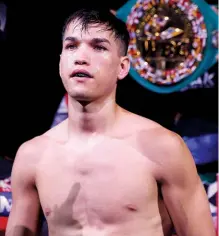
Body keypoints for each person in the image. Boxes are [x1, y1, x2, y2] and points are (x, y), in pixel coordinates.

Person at [5, 7, 215, 236]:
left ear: (122, 67)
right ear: (60, 63)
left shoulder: (163, 149)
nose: (81, 57)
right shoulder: (32, 156)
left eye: (99, 47)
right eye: (71, 46)